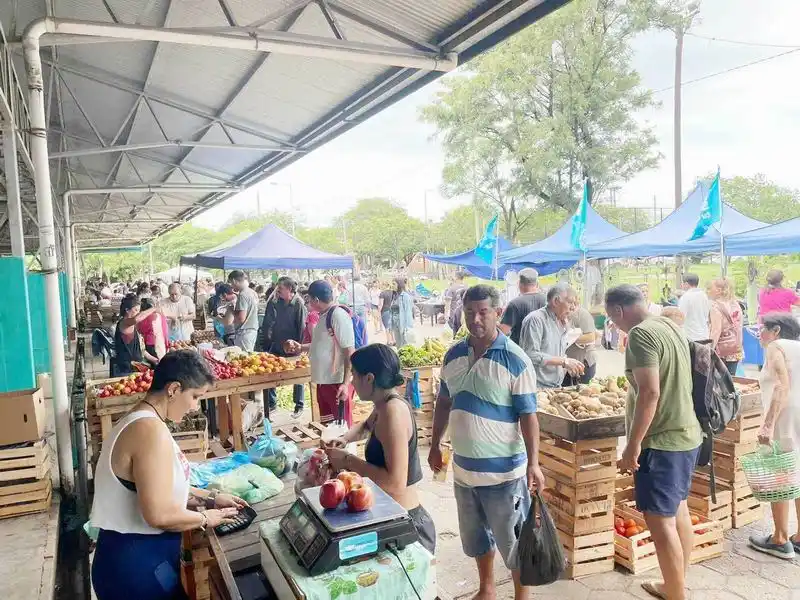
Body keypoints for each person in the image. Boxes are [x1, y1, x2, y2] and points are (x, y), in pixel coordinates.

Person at [90, 351, 246, 600]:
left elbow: (157, 486)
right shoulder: (148, 430)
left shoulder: (143, 421)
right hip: (136, 567)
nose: (196, 407)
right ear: (173, 389)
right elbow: (159, 514)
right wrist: (206, 517)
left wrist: (210, 496)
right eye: (195, 397)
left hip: (140, 559)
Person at [428, 285, 543, 600]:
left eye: (483, 312)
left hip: (503, 475)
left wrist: (534, 463)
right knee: (477, 538)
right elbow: (443, 401)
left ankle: (522, 597)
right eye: (469, 313)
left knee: (514, 541)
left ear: (498, 313)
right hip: (464, 472)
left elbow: (528, 415)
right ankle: (487, 589)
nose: (475, 319)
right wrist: (436, 443)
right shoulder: (452, 355)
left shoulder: (515, 359)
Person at [605, 285, 702, 600]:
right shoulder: (667, 324)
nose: (614, 324)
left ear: (619, 311)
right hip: (687, 435)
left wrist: (633, 445)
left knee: (660, 524)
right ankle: (675, 584)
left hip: (662, 442)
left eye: (611, 317)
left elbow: (650, 392)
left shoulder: (640, 335)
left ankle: (675, 594)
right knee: (679, 512)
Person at [324, 344, 436, 553]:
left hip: (406, 525)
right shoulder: (383, 404)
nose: (352, 384)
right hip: (391, 516)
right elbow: (366, 426)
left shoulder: (392, 413)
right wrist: (344, 439)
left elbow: (395, 483)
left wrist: (348, 461)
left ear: (369, 378)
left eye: (354, 376)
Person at [748, 313, 800, 559]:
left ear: (776, 330)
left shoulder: (775, 347)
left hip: (784, 415)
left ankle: (780, 539)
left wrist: (768, 424)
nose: (760, 334)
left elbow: (781, 385)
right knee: (797, 471)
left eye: (763, 329)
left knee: (779, 472)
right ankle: (799, 537)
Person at [285, 280, 355, 426]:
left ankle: (345, 449)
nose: (308, 302)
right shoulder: (323, 316)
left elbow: (349, 351)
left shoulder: (338, 316)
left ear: (316, 299)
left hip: (336, 383)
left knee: (342, 429)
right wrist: (301, 347)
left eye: (309, 299)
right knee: (328, 427)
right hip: (323, 382)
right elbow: (321, 345)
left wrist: (345, 383)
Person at [519, 283, 584, 388]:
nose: (572, 307)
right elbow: (530, 354)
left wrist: (567, 366)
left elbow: (554, 352)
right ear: (555, 301)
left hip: (556, 385)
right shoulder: (536, 319)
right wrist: (564, 362)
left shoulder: (562, 321)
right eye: (570, 302)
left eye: (574, 304)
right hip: (538, 386)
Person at [259, 276, 307, 419]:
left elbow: (302, 327)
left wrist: (298, 346)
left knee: (297, 376)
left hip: (293, 345)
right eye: (277, 288)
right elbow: (270, 321)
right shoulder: (276, 302)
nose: (278, 290)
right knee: (268, 372)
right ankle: (272, 404)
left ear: (290, 289)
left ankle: (299, 405)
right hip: (277, 344)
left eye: (281, 288)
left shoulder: (299, 304)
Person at [112, 294, 159, 376]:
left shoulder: (132, 326)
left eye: (139, 310)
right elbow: (137, 319)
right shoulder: (124, 322)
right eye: (136, 310)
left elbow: (140, 349)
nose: (138, 313)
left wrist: (154, 359)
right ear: (127, 310)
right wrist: (155, 308)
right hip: (126, 370)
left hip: (135, 368)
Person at [499, 268, 546, 344]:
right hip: (543, 350)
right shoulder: (547, 301)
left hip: (520, 351)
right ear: (537, 284)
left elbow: (502, 331)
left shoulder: (514, 304)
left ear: (519, 283)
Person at [708, 278, 744, 375]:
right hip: (735, 348)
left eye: (710, 288)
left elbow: (716, 331)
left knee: (720, 384)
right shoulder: (735, 304)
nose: (708, 291)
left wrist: (709, 349)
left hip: (721, 350)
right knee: (731, 380)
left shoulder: (716, 307)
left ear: (719, 290)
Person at [565, 302, 597, 384]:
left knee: (583, 391)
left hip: (583, 362)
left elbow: (591, 337)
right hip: (567, 363)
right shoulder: (560, 314)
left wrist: (571, 337)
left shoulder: (583, 315)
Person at [228, 270, 260, 352]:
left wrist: (231, 314)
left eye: (231, 283)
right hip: (251, 331)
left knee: (243, 359)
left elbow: (241, 318)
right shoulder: (252, 292)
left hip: (244, 332)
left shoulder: (243, 295)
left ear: (234, 281)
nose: (231, 286)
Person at [678, 273, 710, 342]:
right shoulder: (704, 295)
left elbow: (680, 317)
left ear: (686, 284)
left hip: (691, 336)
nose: (682, 285)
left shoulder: (685, 297)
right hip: (704, 335)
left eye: (682, 283)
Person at [137, 297, 168, 364]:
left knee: (153, 365)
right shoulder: (161, 315)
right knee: (160, 363)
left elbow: (140, 330)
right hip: (161, 343)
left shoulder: (145, 317)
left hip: (151, 344)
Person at [390, 277, 415, 348]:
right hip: (395, 323)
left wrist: (408, 326)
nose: (392, 285)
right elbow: (391, 311)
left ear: (399, 285)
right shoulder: (394, 296)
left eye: (394, 284)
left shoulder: (405, 296)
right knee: (398, 343)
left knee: (404, 343)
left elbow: (408, 312)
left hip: (403, 323)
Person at [445, 271, 467, 336]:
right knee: (464, 333)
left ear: (456, 277)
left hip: (455, 314)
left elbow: (447, 302)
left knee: (456, 334)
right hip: (465, 314)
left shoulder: (452, 288)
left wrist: (446, 314)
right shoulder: (467, 287)